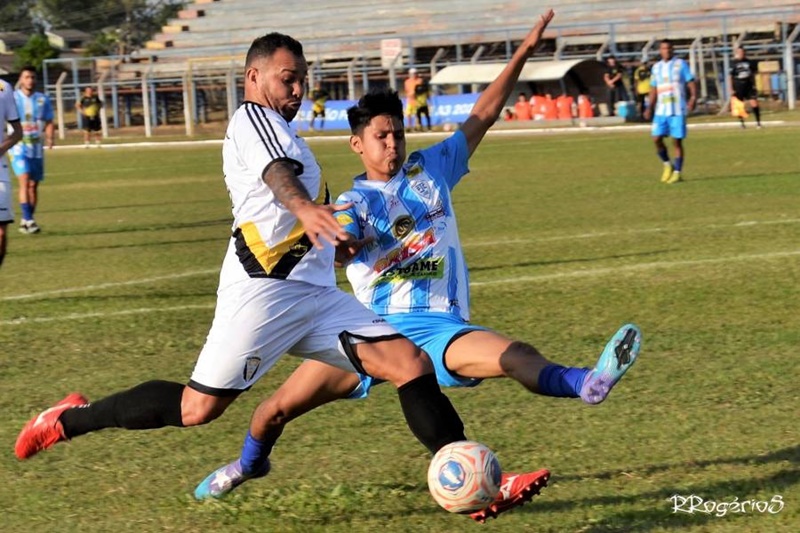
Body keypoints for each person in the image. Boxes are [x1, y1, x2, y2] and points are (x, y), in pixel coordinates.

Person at [196, 10, 642, 523]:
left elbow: (484, 114)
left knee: (513, 354)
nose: (392, 144)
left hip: (438, 326)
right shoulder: (350, 200)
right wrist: (343, 242)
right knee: (273, 411)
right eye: (381, 136)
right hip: (370, 330)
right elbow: (334, 236)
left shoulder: (432, 170)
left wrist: (525, 50)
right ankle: (246, 467)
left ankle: (586, 382)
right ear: (357, 144)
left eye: (398, 135)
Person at [15, 33, 473, 492]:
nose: (297, 90)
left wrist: (331, 242)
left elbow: (283, 198)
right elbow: (277, 177)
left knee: (408, 361)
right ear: (254, 77)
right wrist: (304, 208)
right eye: (288, 80)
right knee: (197, 409)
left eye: (302, 81)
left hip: (315, 294)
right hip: (264, 292)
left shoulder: (286, 131)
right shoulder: (252, 118)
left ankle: (468, 474)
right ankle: (68, 420)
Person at [644, 40, 697, 184]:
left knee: (676, 141)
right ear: (660, 51)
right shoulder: (656, 67)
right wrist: (649, 107)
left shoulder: (681, 64)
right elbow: (653, 88)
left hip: (677, 109)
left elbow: (690, 82)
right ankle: (667, 164)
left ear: (672, 50)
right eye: (663, 48)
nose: (666, 51)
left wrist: (693, 98)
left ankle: (678, 172)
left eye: (668, 48)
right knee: (656, 138)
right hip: (661, 110)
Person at [9, 66, 54, 234]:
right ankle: (28, 219)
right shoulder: (11, 99)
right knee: (25, 179)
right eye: (27, 77)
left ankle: (27, 220)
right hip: (18, 147)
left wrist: (50, 137)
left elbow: (49, 121)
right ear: (21, 79)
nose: (30, 80)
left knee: (33, 186)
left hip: (36, 148)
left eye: (33, 77)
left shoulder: (43, 100)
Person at [0, 78, 23, 269]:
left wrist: (1, 149)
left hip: (0, 170)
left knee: (1, 233)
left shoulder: (3, 87)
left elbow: (17, 132)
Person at [729, 47, 761, 129]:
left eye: (742, 52)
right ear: (736, 53)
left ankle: (758, 123)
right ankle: (742, 123)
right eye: (739, 52)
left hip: (749, 85)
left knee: (754, 103)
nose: (741, 54)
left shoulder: (749, 62)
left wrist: (754, 85)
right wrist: (731, 88)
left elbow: (753, 74)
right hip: (738, 86)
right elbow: (730, 76)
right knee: (740, 105)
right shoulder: (733, 63)